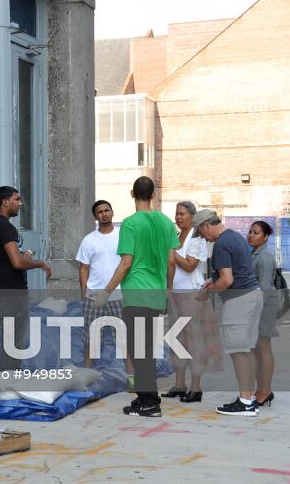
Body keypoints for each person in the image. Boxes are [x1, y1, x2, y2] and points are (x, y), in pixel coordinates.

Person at [92, 176, 179, 417]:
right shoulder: (165, 222)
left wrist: (106, 291)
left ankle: (150, 402)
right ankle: (143, 400)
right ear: (153, 194)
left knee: (140, 350)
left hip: (137, 295)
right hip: (155, 294)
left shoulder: (130, 224)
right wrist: (167, 290)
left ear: (132, 194)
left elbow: (125, 263)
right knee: (142, 347)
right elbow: (171, 261)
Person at [194, 209, 263, 417]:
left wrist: (208, 291)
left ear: (206, 225)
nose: (204, 238)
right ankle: (248, 397)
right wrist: (213, 280)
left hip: (238, 301)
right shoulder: (235, 237)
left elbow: (227, 280)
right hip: (252, 295)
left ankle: (244, 402)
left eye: (201, 233)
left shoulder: (221, 245)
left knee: (238, 351)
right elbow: (234, 271)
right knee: (246, 349)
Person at [162, 201, 224, 403]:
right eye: (176, 214)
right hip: (175, 292)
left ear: (192, 217)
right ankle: (180, 384)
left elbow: (190, 266)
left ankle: (195, 386)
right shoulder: (175, 236)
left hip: (192, 293)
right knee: (176, 338)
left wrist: (170, 253)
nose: (178, 218)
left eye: (182, 214)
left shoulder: (197, 238)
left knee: (194, 339)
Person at [0, 186, 52, 371]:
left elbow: (10, 258)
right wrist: (40, 264)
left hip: (1, 290)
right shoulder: (5, 227)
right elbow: (16, 263)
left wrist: (25, 256)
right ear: (5, 202)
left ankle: (7, 379)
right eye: (17, 199)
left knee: (11, 338)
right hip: (10, 293)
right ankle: (8, 381)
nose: (20, 203)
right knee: (14, 341)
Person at [76, 200, 135, 388]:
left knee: (123, 337)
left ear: (112, 212)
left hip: (117, 295)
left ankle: (132, 376)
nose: (104, 214)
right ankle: (86, 374)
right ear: (95, 217)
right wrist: (84, 293)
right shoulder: (89, 240)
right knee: (90, 338)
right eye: (100, 212)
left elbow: (128, 263)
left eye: (106, 210)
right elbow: (83, 268)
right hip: (94, 296)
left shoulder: (122, 237)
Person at [247, 220, 279, 407]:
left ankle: (265, 391)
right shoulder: (255, 253)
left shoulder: (265, 256)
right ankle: (261, 389)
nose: (251, 235)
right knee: (256, 350)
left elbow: (265, 288)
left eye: (256, 232)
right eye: (250, 232)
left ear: (265, 236)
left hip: (264, 307)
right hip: (256, 305)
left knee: (264, 348)